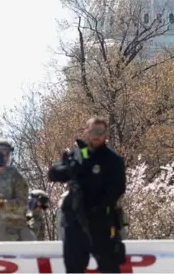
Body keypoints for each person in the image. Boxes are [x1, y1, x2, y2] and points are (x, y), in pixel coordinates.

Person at [48, 117, 127, 273]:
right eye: (93, 131)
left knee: (109, 267)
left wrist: (98, 207)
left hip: (100, 222)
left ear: (106, 135)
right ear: (86, 132)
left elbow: (117, 189)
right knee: (73, 268)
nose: (96, 135)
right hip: (74, 222)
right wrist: (70, 168)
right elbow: (53, 174)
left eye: (100, 132)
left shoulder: (113, 160)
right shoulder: (75, 155)